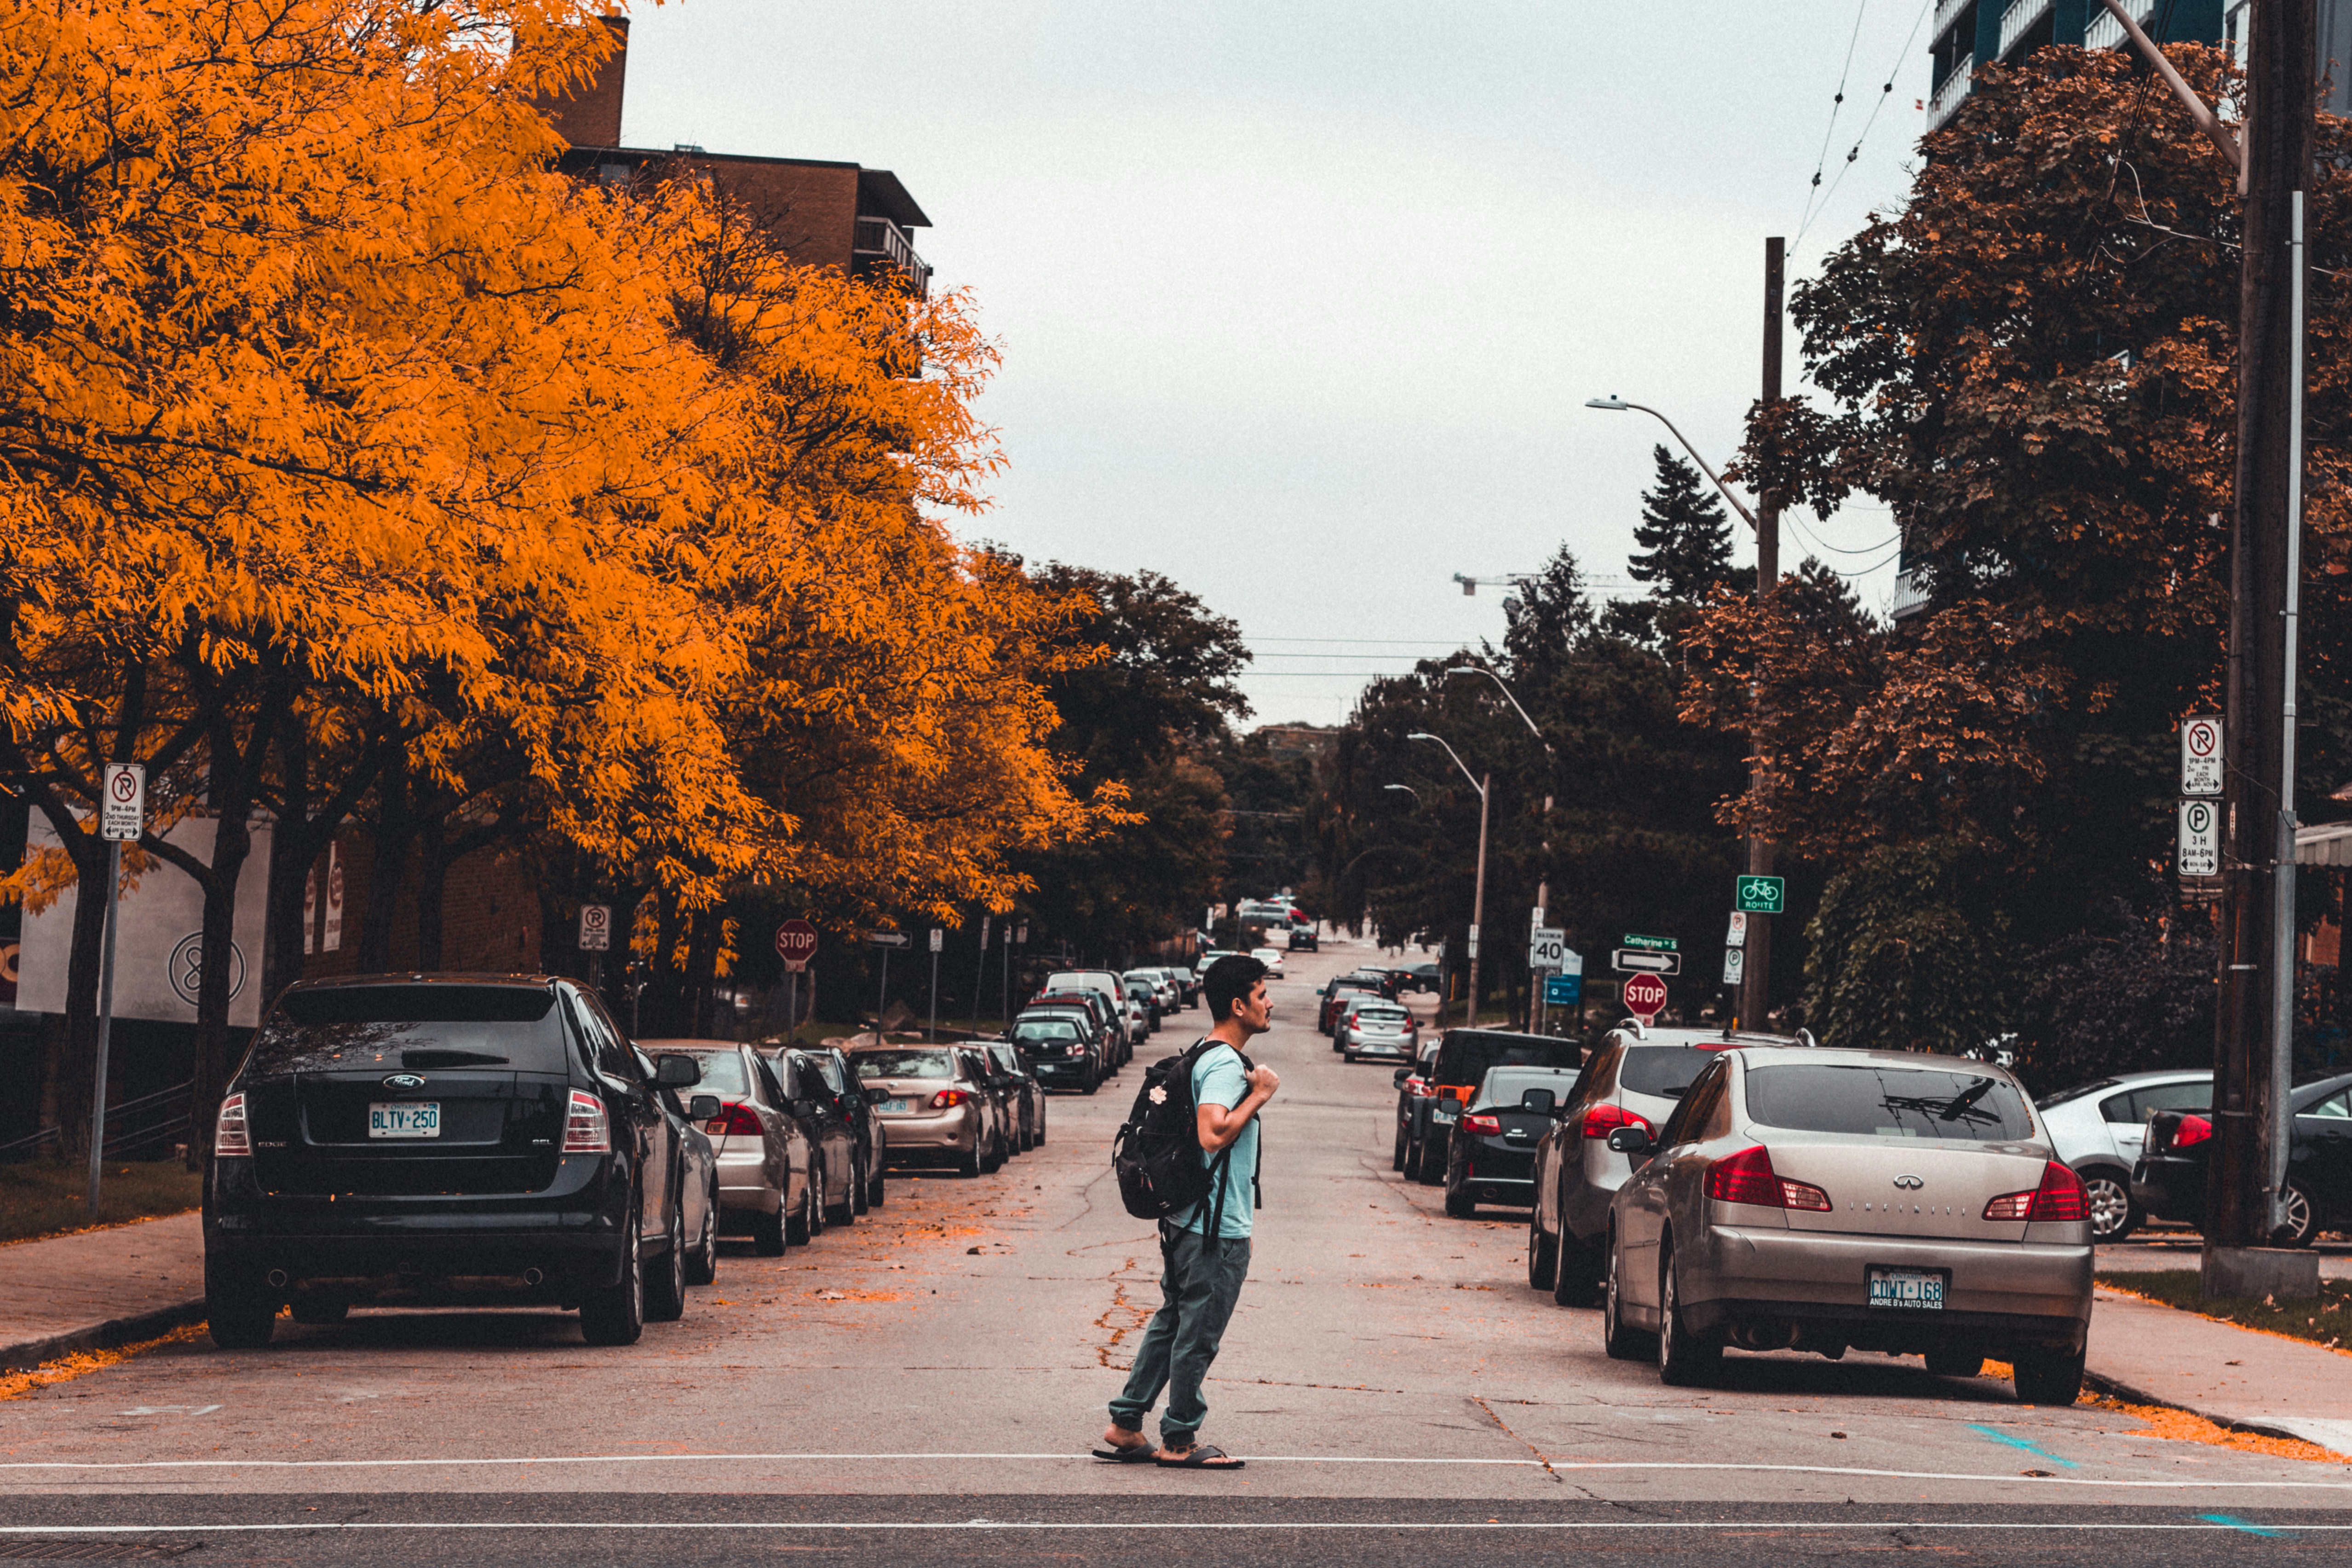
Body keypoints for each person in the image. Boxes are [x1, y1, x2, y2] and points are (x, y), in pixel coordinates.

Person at [1095, 952, 1278, 1470]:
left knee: (1173, 1319)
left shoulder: (1203, 1052)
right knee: (1197, 1330)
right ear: (1239, 1005)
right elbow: (1212, 1132)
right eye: (1263, 995)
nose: (1270, 1004)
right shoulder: (1224, 1062)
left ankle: (1126, 1423)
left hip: (1186, 1220)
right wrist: (1259, 1095)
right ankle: (1179, 1437)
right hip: (1215, 1228)